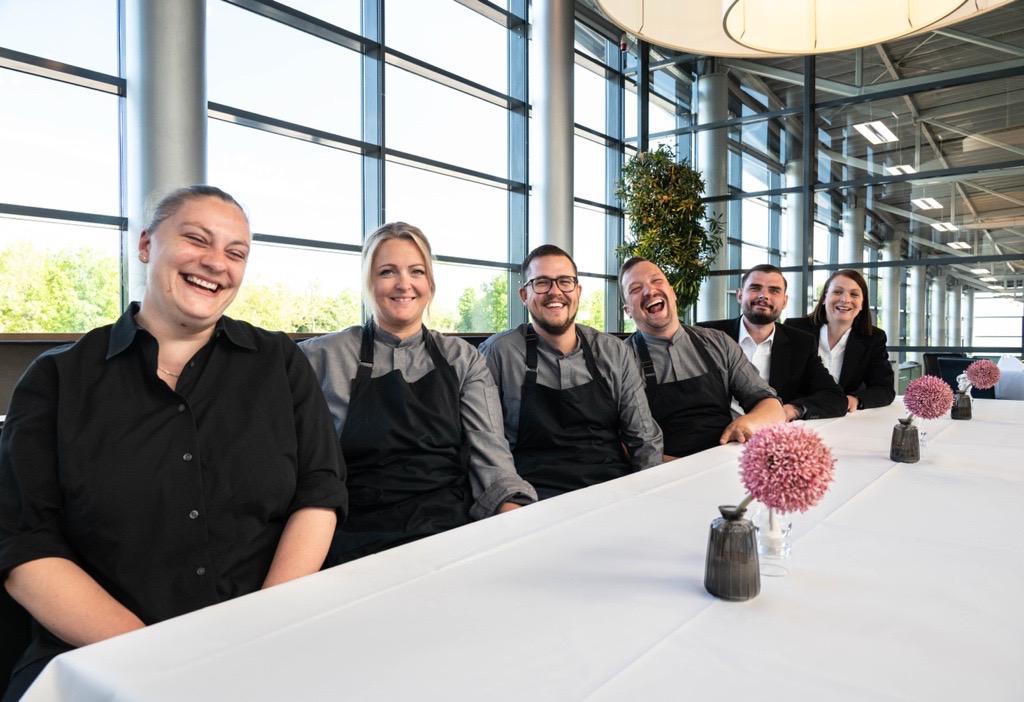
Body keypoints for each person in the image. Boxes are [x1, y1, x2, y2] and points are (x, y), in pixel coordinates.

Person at [0, 186, 347, 700]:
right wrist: (160, 660)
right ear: (145, 245)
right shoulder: (57, 379)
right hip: (104, 658)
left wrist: (266, 628)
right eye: (195, 239)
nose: (216, 263)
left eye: (236, 253)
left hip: (267, 640)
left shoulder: (279, 362)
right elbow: (25, 544)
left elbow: (320, 491)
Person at [301, 223, 536, 565]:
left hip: (449, 532)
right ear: (369, 282)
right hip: (355, 539)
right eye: (387, 272)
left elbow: (492, 460)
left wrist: (523, 525)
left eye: (416, 271)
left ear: (430, 284)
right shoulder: (321, 357)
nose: (403, 284)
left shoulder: (462, 358)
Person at [479, 245, 662, 500]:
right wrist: (510, 503)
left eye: (565, 281)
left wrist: (651, 493)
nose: (555, 291)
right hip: (534, 498)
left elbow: (644, 439)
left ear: (577, 291)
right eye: (541, 282)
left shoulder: (613, 351)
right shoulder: (498, 353)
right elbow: (488, 448)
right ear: (524, 294)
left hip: (612, 491)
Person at [618, 257, 785, 460]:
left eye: (656, 281)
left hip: (726, 462)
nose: (650, 291)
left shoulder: (718, 342)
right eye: (636, 289)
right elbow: (622, 445)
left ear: (673, 292)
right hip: (664, 473)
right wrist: (684, 467)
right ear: (628, 310)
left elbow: (771, 405)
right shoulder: (619, 362)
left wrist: (748, 423)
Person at [698, 264, 846, 421]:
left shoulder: (801, 343)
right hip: (715, 437)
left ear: (784, 301)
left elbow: (834, 396)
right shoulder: (706, 335)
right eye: (755, 288)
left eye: (774, 290)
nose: (764, 296)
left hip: (771, 434)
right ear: (740, 295)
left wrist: (791, 410)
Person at [785, 268, 896, 412]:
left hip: (841, 416)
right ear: (825, 298)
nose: (845, 299)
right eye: (837, 292)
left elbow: (884, 389)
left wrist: (855, 399)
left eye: (854, 294)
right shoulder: (794, 329)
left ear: (862, 303)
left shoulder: (873, 338)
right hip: (794, 415)